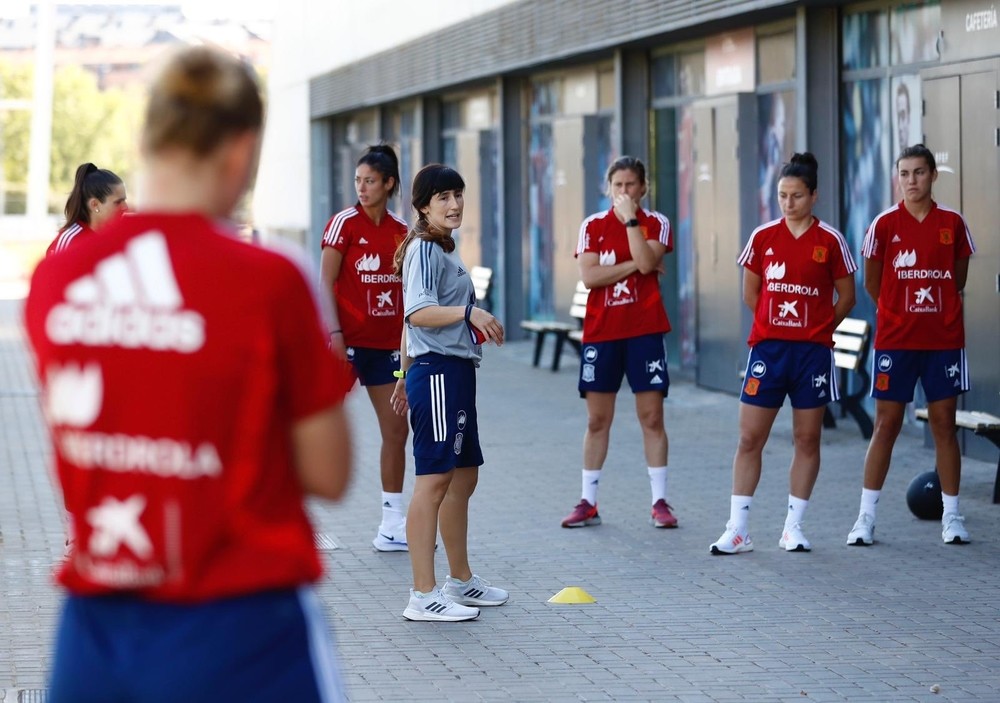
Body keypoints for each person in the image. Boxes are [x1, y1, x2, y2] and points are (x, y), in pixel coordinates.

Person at [24, 46, 354, 701]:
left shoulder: (58, 278)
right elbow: (330, 471)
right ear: (240, 153)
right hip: (245, 627)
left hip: (95, 636)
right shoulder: (272, 277)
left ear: (148, 141)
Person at [710, 153, 857, 555]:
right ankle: (738, 529)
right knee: (749, 437)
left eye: (796, 196)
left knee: (807, 438)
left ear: (813, 196)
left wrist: (819, 328)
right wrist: (776, 327)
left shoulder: (830, 241)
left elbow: (847, 296)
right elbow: (750, 293)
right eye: (781, 196)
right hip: (768, 351)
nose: (788, 203)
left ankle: (794, 526)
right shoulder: (763, 237)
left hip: (812, 355)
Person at [390, 163, 508, 622]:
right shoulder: (423, 249)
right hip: (438, 374)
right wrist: (469, 314)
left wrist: (403, 376)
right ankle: (422, 593)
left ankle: (460, 581)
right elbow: (417, 312)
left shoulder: (441, 247)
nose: (454, 204)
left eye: (458, 194)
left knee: (464, 477)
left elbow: (409, 319)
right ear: (422, 206)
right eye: (443, 197)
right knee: (435, 480)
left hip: (452, 374)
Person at [847, 144, 976, 547]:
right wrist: (900, 314)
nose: (911, 181)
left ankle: (952, 516)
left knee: (943, 426)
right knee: (887, 424)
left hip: (943, 342)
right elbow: (872, 282)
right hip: (896, 342)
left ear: (933, 175)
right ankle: (865, 519)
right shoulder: (884, 224)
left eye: (919, 173)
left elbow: (958, 279)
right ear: (897, 177)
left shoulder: (952, 223)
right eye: (904, 173)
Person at [560, 156, 676, 530]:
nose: (624, 192)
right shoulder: (592, 226)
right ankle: (588, 501)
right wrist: (635, 265)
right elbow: (591, 277)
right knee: (597, 419)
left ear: (643, 188)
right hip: (602, 332)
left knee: (652, 417)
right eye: (617, 186)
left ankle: (659, 501)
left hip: (644, 331)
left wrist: (630, 222)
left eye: (630, 185)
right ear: (607, 188)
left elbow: (646, 262)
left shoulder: (656, 222)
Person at [320, 144, 411, 552]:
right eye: (358, 180)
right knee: (315, 430)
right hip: (345, 345)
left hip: (387, 349)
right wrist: (334, 334)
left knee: (396, 430)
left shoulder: (402, 232)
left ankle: (392, 525)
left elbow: (411, 291)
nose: (362, 187)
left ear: (389, 184)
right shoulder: (343, 224)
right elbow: (324, 284)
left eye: (370, 181)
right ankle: (294, 518)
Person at [46, 163, 128, 256]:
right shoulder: (71, 241)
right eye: (118, 202)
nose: (125, 207)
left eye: (124, 200)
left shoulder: (119, 237)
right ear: (95, 205)